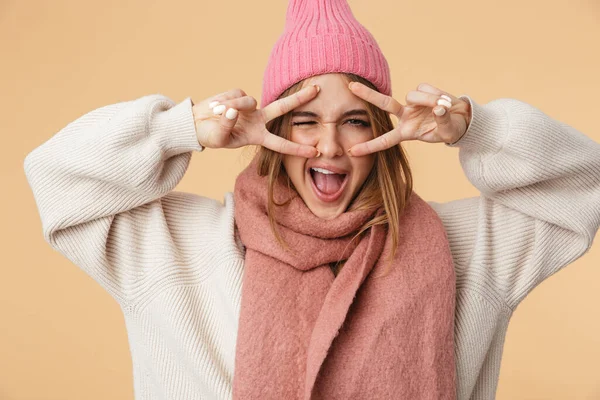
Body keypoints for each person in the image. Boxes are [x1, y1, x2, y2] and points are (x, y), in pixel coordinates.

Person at [23, 0, 600, 399]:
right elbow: (56, 179)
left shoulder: (467, 250)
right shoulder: (181, 247)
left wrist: (478, 130)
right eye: (303, 121)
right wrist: (181, 129)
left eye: (354, 120)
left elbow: (581, 185)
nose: (329, 145)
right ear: (272, 131)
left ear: (385, 134)